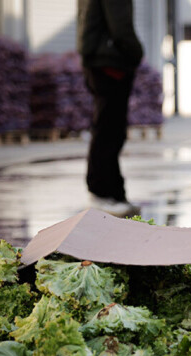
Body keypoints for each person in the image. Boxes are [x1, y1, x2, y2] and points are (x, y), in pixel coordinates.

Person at [77, 0, 143, 217]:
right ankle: (102, 193)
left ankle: (113, 193)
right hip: (109, 62)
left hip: (99, 60)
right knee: (109, 130)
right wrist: (136, 53)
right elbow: (120, 26)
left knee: (108, 128)